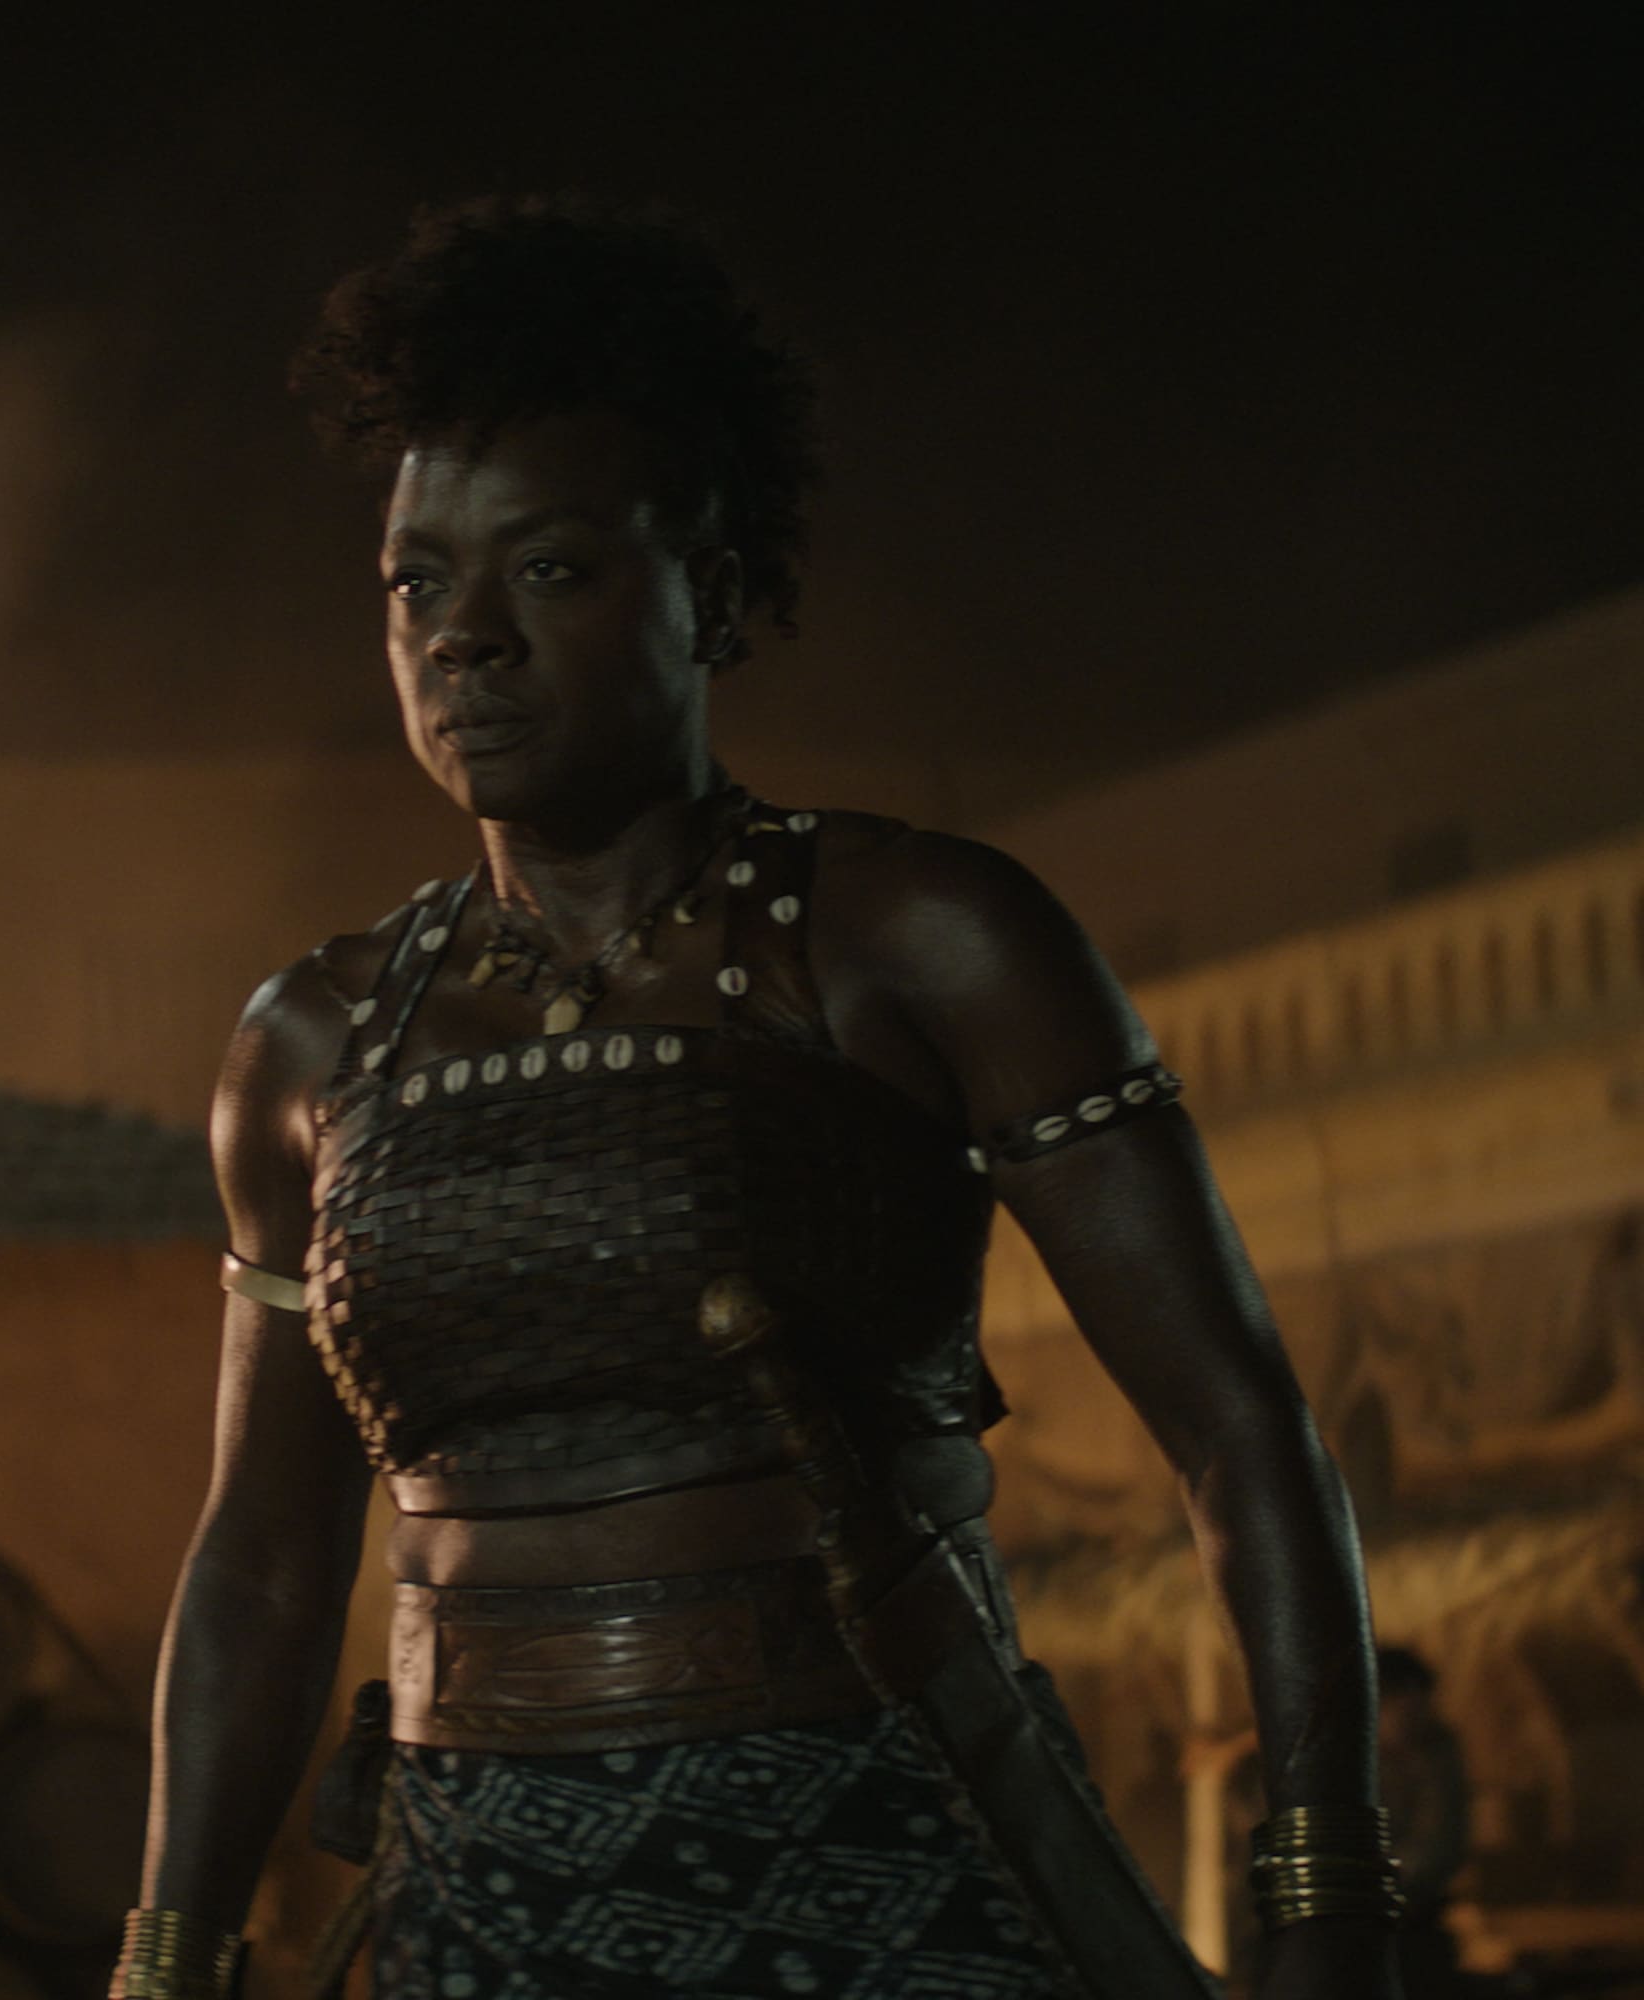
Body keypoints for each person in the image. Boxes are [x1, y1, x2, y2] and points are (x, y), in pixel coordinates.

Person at [111, 197, 1403, 2000]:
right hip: (475, 1908)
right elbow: (264, 1558)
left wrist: (1326, 1896)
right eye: (417, 583)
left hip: (895, 1872)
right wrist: (166, 1961)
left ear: (709, 595)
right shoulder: (314, 1045)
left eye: (548, 569)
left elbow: (1236, 1431)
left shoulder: (920, 938)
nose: (463, 637)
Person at [1377, 1647, 1468, 2000]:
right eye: (1405, 1708)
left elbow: (1440, 1844)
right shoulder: (1348, 1762)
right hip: (1364, 1927)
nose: (1417, 1718)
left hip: (1417, 1924)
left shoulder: (1438, 1754)